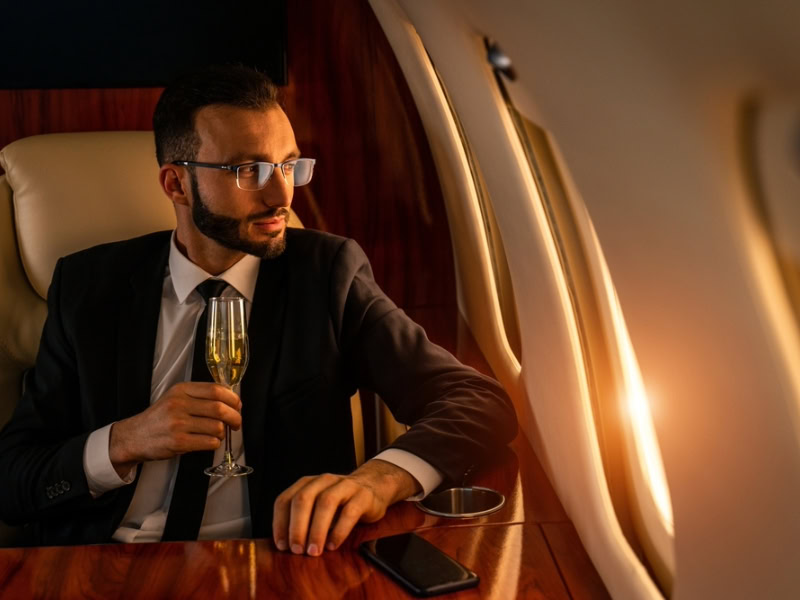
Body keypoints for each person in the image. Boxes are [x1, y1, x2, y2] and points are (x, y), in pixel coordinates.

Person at [0, 65, 517, 553]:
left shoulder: (327, 274)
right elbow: (12, 476)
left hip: (278, 561)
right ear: (175, 184)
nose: (281, 194)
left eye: (288, 165)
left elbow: (477, 402)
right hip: (104, 564)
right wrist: (124, 441)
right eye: (249, 169)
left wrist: (379, 480)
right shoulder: (90, 287)